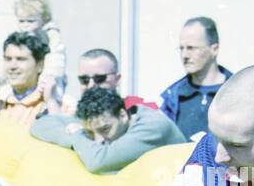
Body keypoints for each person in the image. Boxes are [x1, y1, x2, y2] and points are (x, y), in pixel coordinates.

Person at [30, 86, 186, 173]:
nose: (98, 140)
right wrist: (78, 137)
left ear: (123, 115)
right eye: (91, 133)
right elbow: (41, 125)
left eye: (105, 130)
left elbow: (98, 161)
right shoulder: (100, 119)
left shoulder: (152, 126)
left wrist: (79, 135)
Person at [160, 16, 232, 140]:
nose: (184, 55)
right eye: (181, 48)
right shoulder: (174, 97)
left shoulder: (236, 91)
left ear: (214, 49)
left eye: (191, 48)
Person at [0, 31, 57, 126]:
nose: (12, 66)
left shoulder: (52, 106)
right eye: (8, 59)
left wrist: (51, 102)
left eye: (20, 59)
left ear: (40, 65)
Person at [60, 47, 157, 116]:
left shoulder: (138, 110)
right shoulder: (70, 113)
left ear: (117, 79)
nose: (91, 86)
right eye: (84, 80)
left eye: (99, 79)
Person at [13, 0, 66, 102]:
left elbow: (56, 58)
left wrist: (47, 78)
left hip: (49, 82)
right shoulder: (19, 36)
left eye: (30, 21)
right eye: (21, 21)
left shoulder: (51, 36)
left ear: (44, 20)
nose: (25, 26)